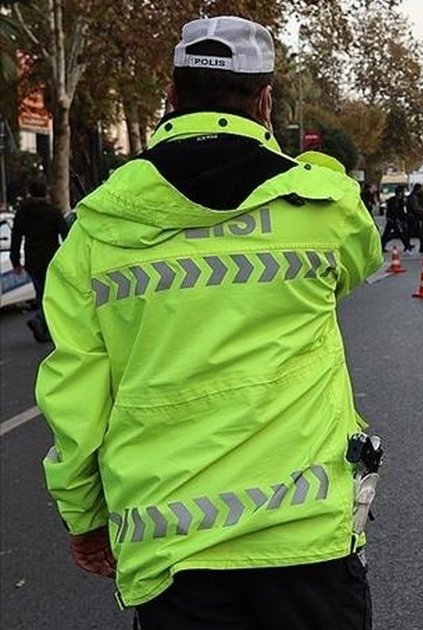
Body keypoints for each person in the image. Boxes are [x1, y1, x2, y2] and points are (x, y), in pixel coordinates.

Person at [35, 16, 381, 629]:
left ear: (171, 96)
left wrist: (85, 516)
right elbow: (360, 258)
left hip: (171, 546)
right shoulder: (323, 209)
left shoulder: (96, 227)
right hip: (303, 541)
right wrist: (311, 173)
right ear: (265, 100)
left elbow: (75, 395)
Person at [9, 180, 70, 342]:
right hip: (51, 259)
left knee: (40, 293)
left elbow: (15, 238)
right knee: (50, 294)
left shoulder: (22, 213)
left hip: (32, 260)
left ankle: (43, 325)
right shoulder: (52, 212)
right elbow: (66, 234)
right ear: (46, 193)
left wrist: (15, 261)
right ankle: (41, 321)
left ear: (30, 192)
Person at [380, 185, 406, 251]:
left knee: (399, 233)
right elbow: (392, 210)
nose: (403, 193)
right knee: (390, 233)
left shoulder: (400, 200)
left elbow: (401, 210)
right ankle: (381, 245)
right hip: (392, 219)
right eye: (402, 192)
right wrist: (396, 218)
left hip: (394, 219)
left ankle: (407, 245)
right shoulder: (393, 200)